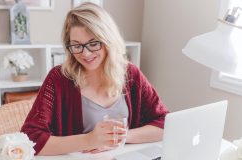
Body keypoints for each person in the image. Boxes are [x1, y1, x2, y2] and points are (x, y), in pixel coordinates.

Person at [21, 2, 168, 155]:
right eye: (76, 45)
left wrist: (120, 137)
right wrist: (89, 140)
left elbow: (165, 123)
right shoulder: (59, 78)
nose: (86, 54)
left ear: (108, 41)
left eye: (93, 43)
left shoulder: (130, 73)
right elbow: (30, 139)